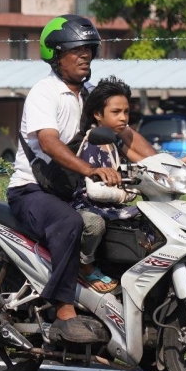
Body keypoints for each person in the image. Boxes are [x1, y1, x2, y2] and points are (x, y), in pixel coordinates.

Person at [7, 15, 158, 344]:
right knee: (71, 222)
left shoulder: (91, 95)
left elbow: (125, 134)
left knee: (130, 223)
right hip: (31, 191)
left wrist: (167, 164)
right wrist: (89, 169)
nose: (84, 55)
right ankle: (64, 311)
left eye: (89, 49)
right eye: (76, 50)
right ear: (56, 55)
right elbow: (48, 141)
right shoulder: (45, 93)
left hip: (71, 191)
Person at [72, 76, 142, 294]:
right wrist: (124, 195)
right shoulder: (94, 139)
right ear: (97, 114)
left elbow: (143, 162)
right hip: (87, 205)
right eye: (116, 112)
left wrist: (177, 164)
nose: (123, 118)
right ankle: (85, 264)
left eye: (126, 112)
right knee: (94, 225)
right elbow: (94, 190)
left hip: (108, 207)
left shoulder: (113, 140)